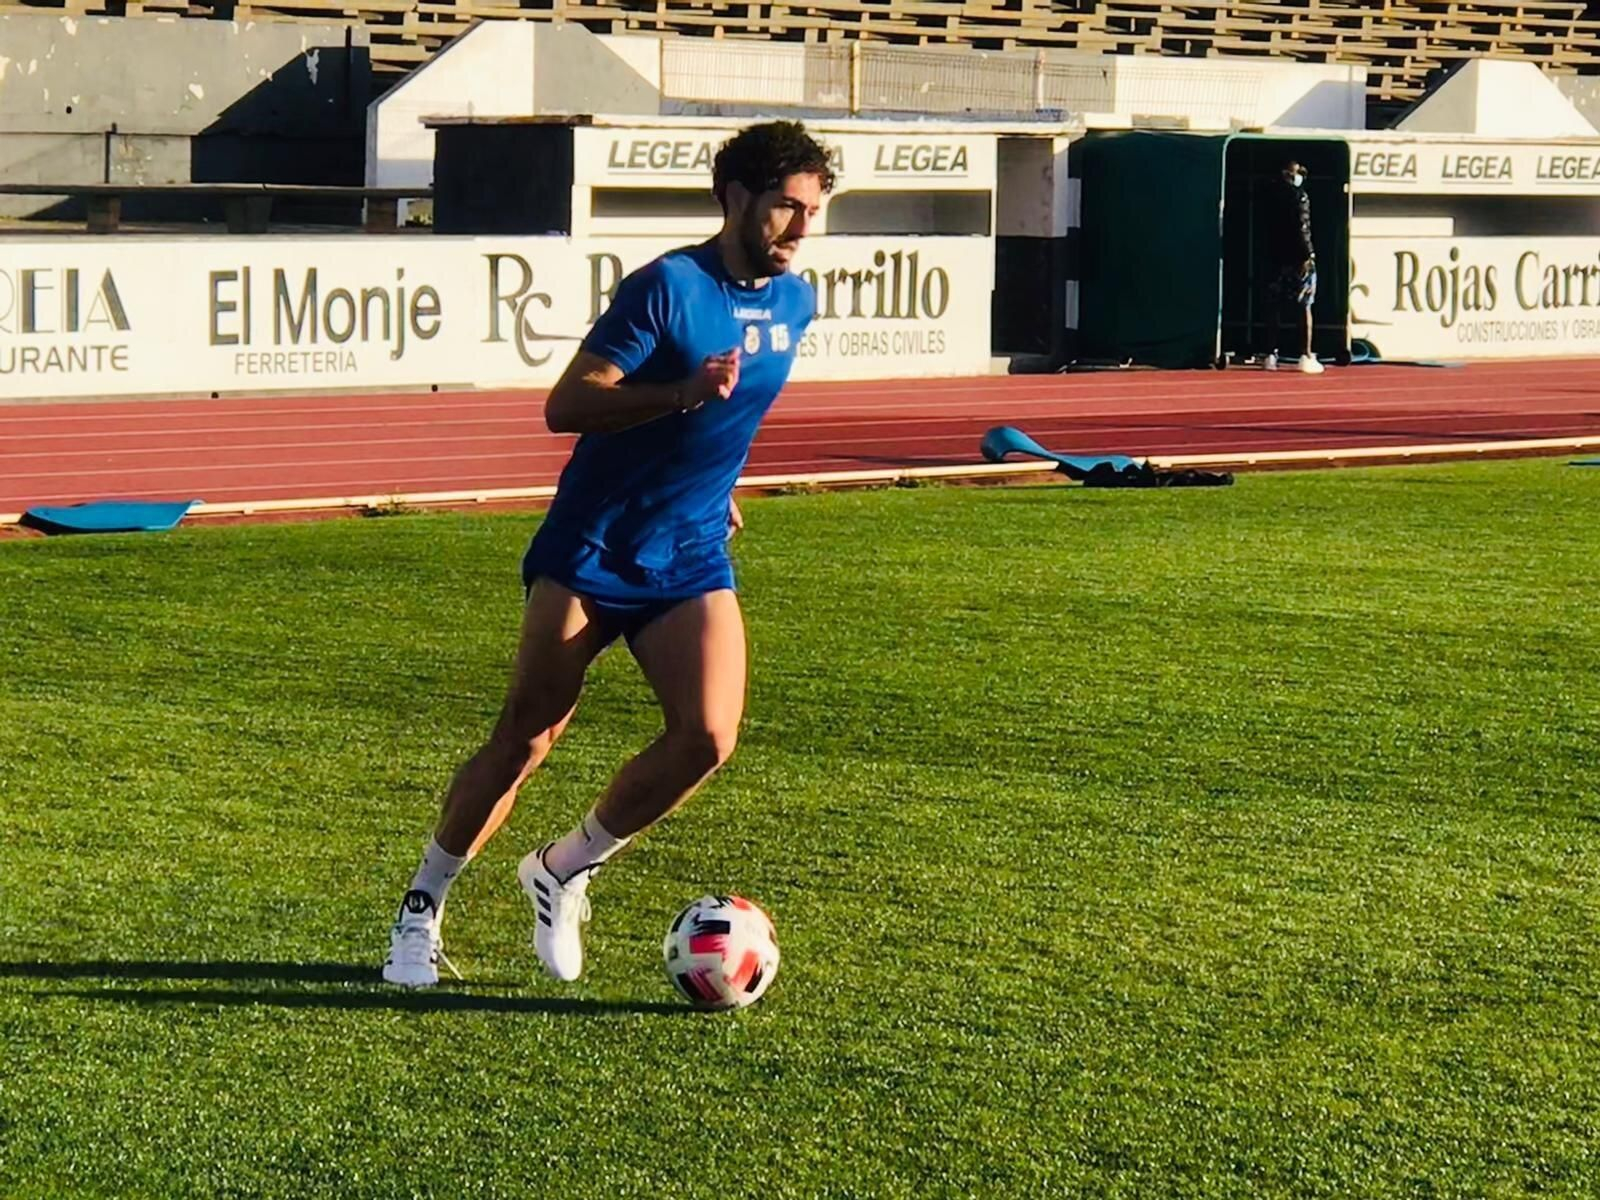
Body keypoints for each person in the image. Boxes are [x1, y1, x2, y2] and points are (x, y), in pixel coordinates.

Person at [380, 120, 833, 988]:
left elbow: (728, 423)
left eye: (813, 211)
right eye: (787, 207)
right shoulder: (667, 287)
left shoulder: (794, 302)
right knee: (527, 737)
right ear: (735, 197)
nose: (802, 229)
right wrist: (680, 395)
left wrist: (713, 479)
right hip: (593, 544)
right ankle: (422, 907)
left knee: (707, 735)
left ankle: (562, 868)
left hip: (690, 548)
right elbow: (568, 405)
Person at [1261, 160, 1324, 375]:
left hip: (1276, 258)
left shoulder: (1269, 196)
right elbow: (1302, 227)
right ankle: (1305, 355)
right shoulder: (1300, 196)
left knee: (1274, 306)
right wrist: (1307, 255)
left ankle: (1271, 354)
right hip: (1297, 259)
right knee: (1304, 305)